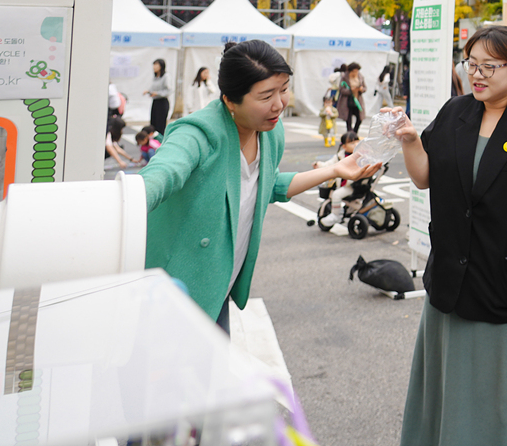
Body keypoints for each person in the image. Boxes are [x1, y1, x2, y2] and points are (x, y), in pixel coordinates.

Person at [392, 25, 507, 446]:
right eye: (471, 65)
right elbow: (425, 178)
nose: (476, 75)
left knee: (506, 393)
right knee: (447, 387)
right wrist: (409, 141)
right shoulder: (455, 112)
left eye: (488, 67)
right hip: (450, 276)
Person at [139, 40, 380, 333]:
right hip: (171, 294)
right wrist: (124, 202)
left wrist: (335, 170)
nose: (279, 104)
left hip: (218, 287)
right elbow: (162, 175)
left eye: (284, 89)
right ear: (230, 100)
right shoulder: (197, 132)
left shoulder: (270, 131)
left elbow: (267, 185)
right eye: (266, 95)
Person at [314, 130, 360, 227]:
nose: (356, 144)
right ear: (344, 146)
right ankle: (345, 211)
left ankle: (336, 215)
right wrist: (319, 165)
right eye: (352, 143)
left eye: (357, 141)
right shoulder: (340, 156)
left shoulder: (360, 156)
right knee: (338, 192)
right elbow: (329, 164)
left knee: (336, 195)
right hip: (347, 185)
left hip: (353, 185)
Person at [144, 58, 171, 135]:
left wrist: (157, 93)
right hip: (155, 101)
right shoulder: (155, 77)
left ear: (161, 66)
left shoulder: (166, 76)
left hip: (162, 102)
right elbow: (154, 89)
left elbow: (169, 90)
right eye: (154, 65)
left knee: (160, 124)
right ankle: (153, 142)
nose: (154, 67)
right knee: (153, 123)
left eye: (156, 65)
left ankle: (159, 141)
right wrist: (149, 92)